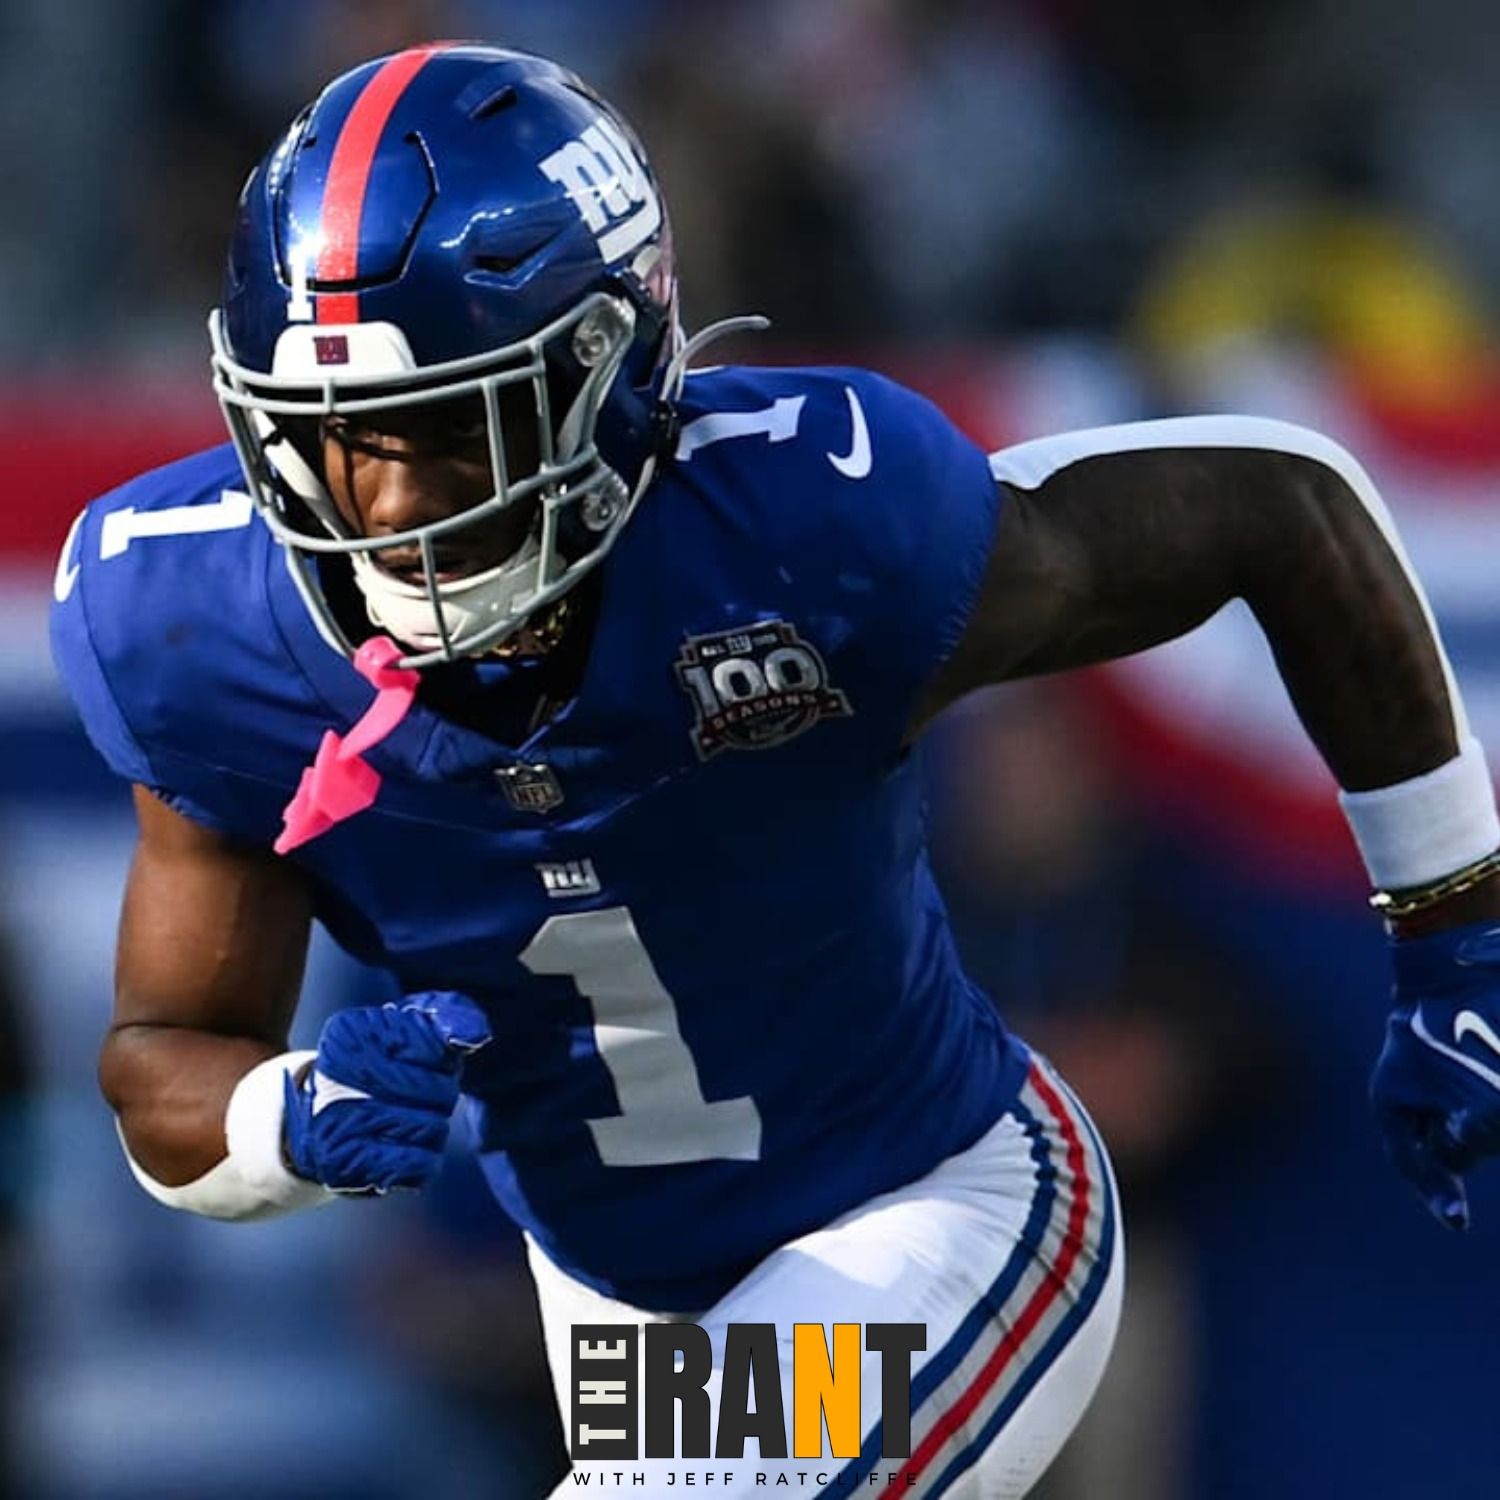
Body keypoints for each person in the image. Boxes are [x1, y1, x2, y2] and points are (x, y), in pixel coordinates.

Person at [49, 42, 1500, 1498]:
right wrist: (289, 1118)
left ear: (607, 371)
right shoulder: (193, 625)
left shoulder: (801, 528)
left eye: (451, 433)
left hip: (932, 1203)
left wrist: (1456, 928)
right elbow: (166, 1057)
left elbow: (1279, 509)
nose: (391, 511)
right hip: (622, 1306)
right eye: (338, 444)